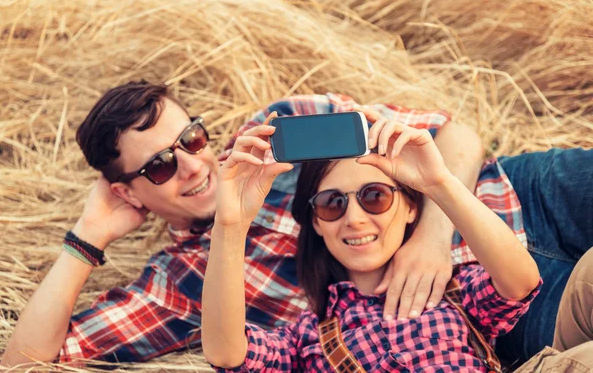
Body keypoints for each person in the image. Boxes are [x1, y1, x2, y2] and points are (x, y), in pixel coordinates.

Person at [0, 81, 591, 367]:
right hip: (493, 322)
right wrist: (87, 238)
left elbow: (454, 135)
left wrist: (434, 232)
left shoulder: (284, 127)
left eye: (192, 138)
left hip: (515, 193)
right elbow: (25, 362)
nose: (192, 164)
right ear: (131, 191)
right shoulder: (176, 287)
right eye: (159, 166)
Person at [202, 111, 593, 372]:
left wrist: (437, 184)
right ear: (316, 224)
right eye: (331, 204)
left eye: (375, 196)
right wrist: (230, 226)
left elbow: (522, 283)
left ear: (409, 209)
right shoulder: (305, 339)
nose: (354, 218)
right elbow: (227, 354)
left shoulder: (451, 291)